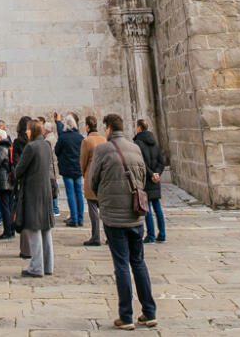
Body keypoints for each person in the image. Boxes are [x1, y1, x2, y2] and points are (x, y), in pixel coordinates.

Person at [86, 113, 157, 330]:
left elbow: (93, 180)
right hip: (136, 215)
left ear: (107, 128)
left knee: (121, 265)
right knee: (139, 262)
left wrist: (105, 197)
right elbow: (143, 177)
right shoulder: (134, 147)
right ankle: (149, 312)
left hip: (114, 217)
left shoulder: (103, 150)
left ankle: (126, 317)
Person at [15, 116, 58, 277]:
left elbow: (19, 169)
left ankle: (36, 267)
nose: (25, 131)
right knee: (45, 228)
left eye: (27, 128)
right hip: (45, 190)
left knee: (33, 228)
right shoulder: (46, 145)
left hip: (32, 191)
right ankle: (48, 266)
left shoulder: (31, 147)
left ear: (32, 130)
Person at [133, 118, 166, 243]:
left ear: (139, 128)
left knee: (146, 208)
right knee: (157, 207)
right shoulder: (155, 143)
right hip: (155, 180)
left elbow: (142, 163)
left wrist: (151, 174)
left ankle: (151, 235)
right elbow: (160, 162)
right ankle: (162, 233)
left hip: (146, 179)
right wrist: (157, 174)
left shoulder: (138, 143)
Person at [80, 116, 106, 246]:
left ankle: (95, 236)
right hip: (103, 176)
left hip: (90, 176)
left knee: (93, 208)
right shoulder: (103, 140)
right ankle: (109, 235)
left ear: (87, 126)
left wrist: (84, 173)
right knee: (105, 208)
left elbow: (83, 161)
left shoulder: (87, 141)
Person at [56, 114, 86, 228]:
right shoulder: (80, 137)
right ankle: (80, 217)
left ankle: (74, 218)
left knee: (70, 193)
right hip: (77, 168)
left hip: (67, 168)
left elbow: (57, 151)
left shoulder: (63, 137)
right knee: (79, 193)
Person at [0, 127, 17, 239]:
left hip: (3, 182)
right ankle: (11, 230)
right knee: (10, 207)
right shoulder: (10, 147)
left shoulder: (0, 149)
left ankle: (7, 231)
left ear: (0, 138)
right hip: (10, 181)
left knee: (5, 207)